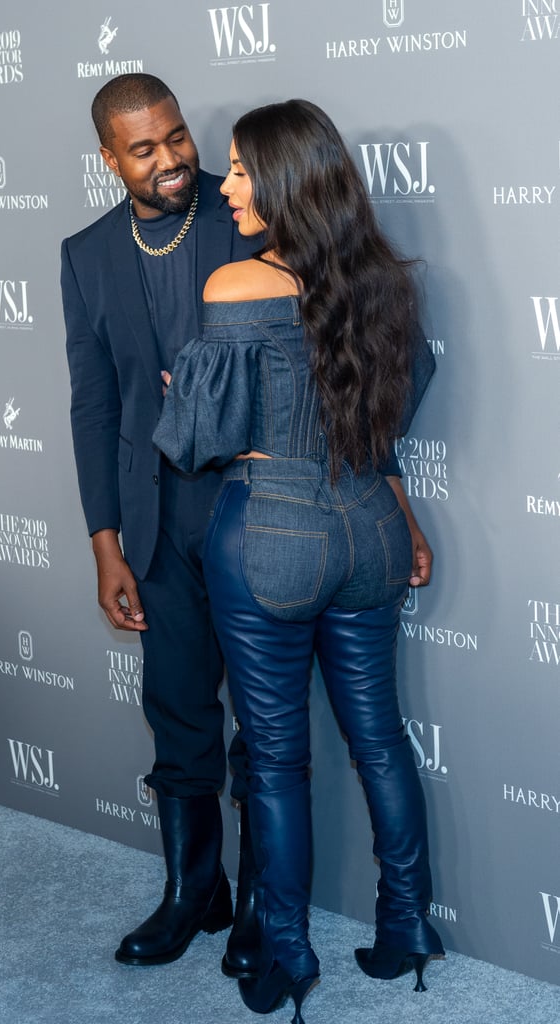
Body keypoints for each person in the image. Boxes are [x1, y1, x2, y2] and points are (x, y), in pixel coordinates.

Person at [153, 99, 444, 1023]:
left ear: (283, 180)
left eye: (241, 170)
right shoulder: (388, 283)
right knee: (383, 742)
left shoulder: (238, 287)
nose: (227, 187)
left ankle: (285, 959)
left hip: (272, 532)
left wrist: (187, 389)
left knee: (275, 762)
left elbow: (196, 441)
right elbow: (393, 410)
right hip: (370, 529)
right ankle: (408, 931)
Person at [60, 73, 261, 976]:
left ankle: (265, 899)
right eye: (144, 149)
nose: (172, 159)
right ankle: (195, 892)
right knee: (179, 711)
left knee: (266, 717)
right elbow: (94, 407)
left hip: (255, 505)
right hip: (157, 516)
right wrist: (106, 544)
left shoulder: (251, 213)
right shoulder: (86, 254)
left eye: (176, 137)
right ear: (110, 158)